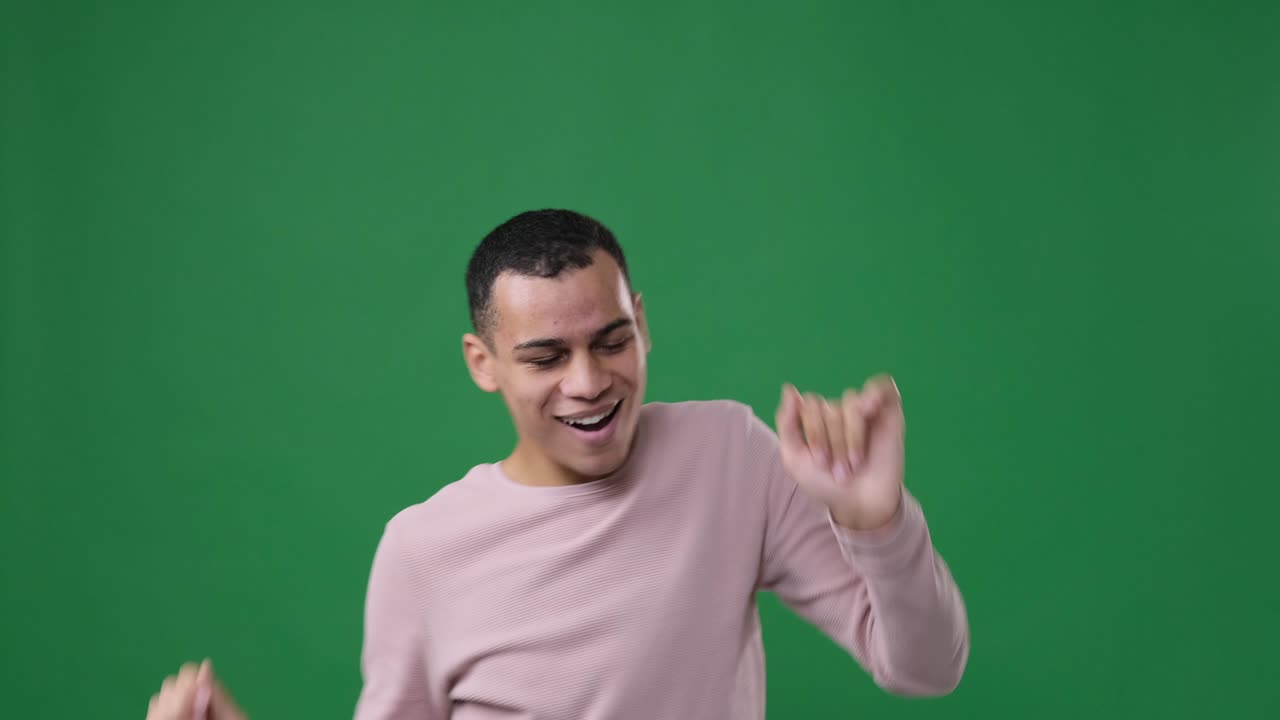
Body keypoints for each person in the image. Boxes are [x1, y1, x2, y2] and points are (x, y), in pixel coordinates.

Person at [147, 209, 969, 719]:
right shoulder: (422, 550)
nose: (589, 382)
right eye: (545, 356)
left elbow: (926, 669)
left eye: (611, 340)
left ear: (641, 323)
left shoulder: (733, 456)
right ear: (483, 362)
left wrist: (877, 524)